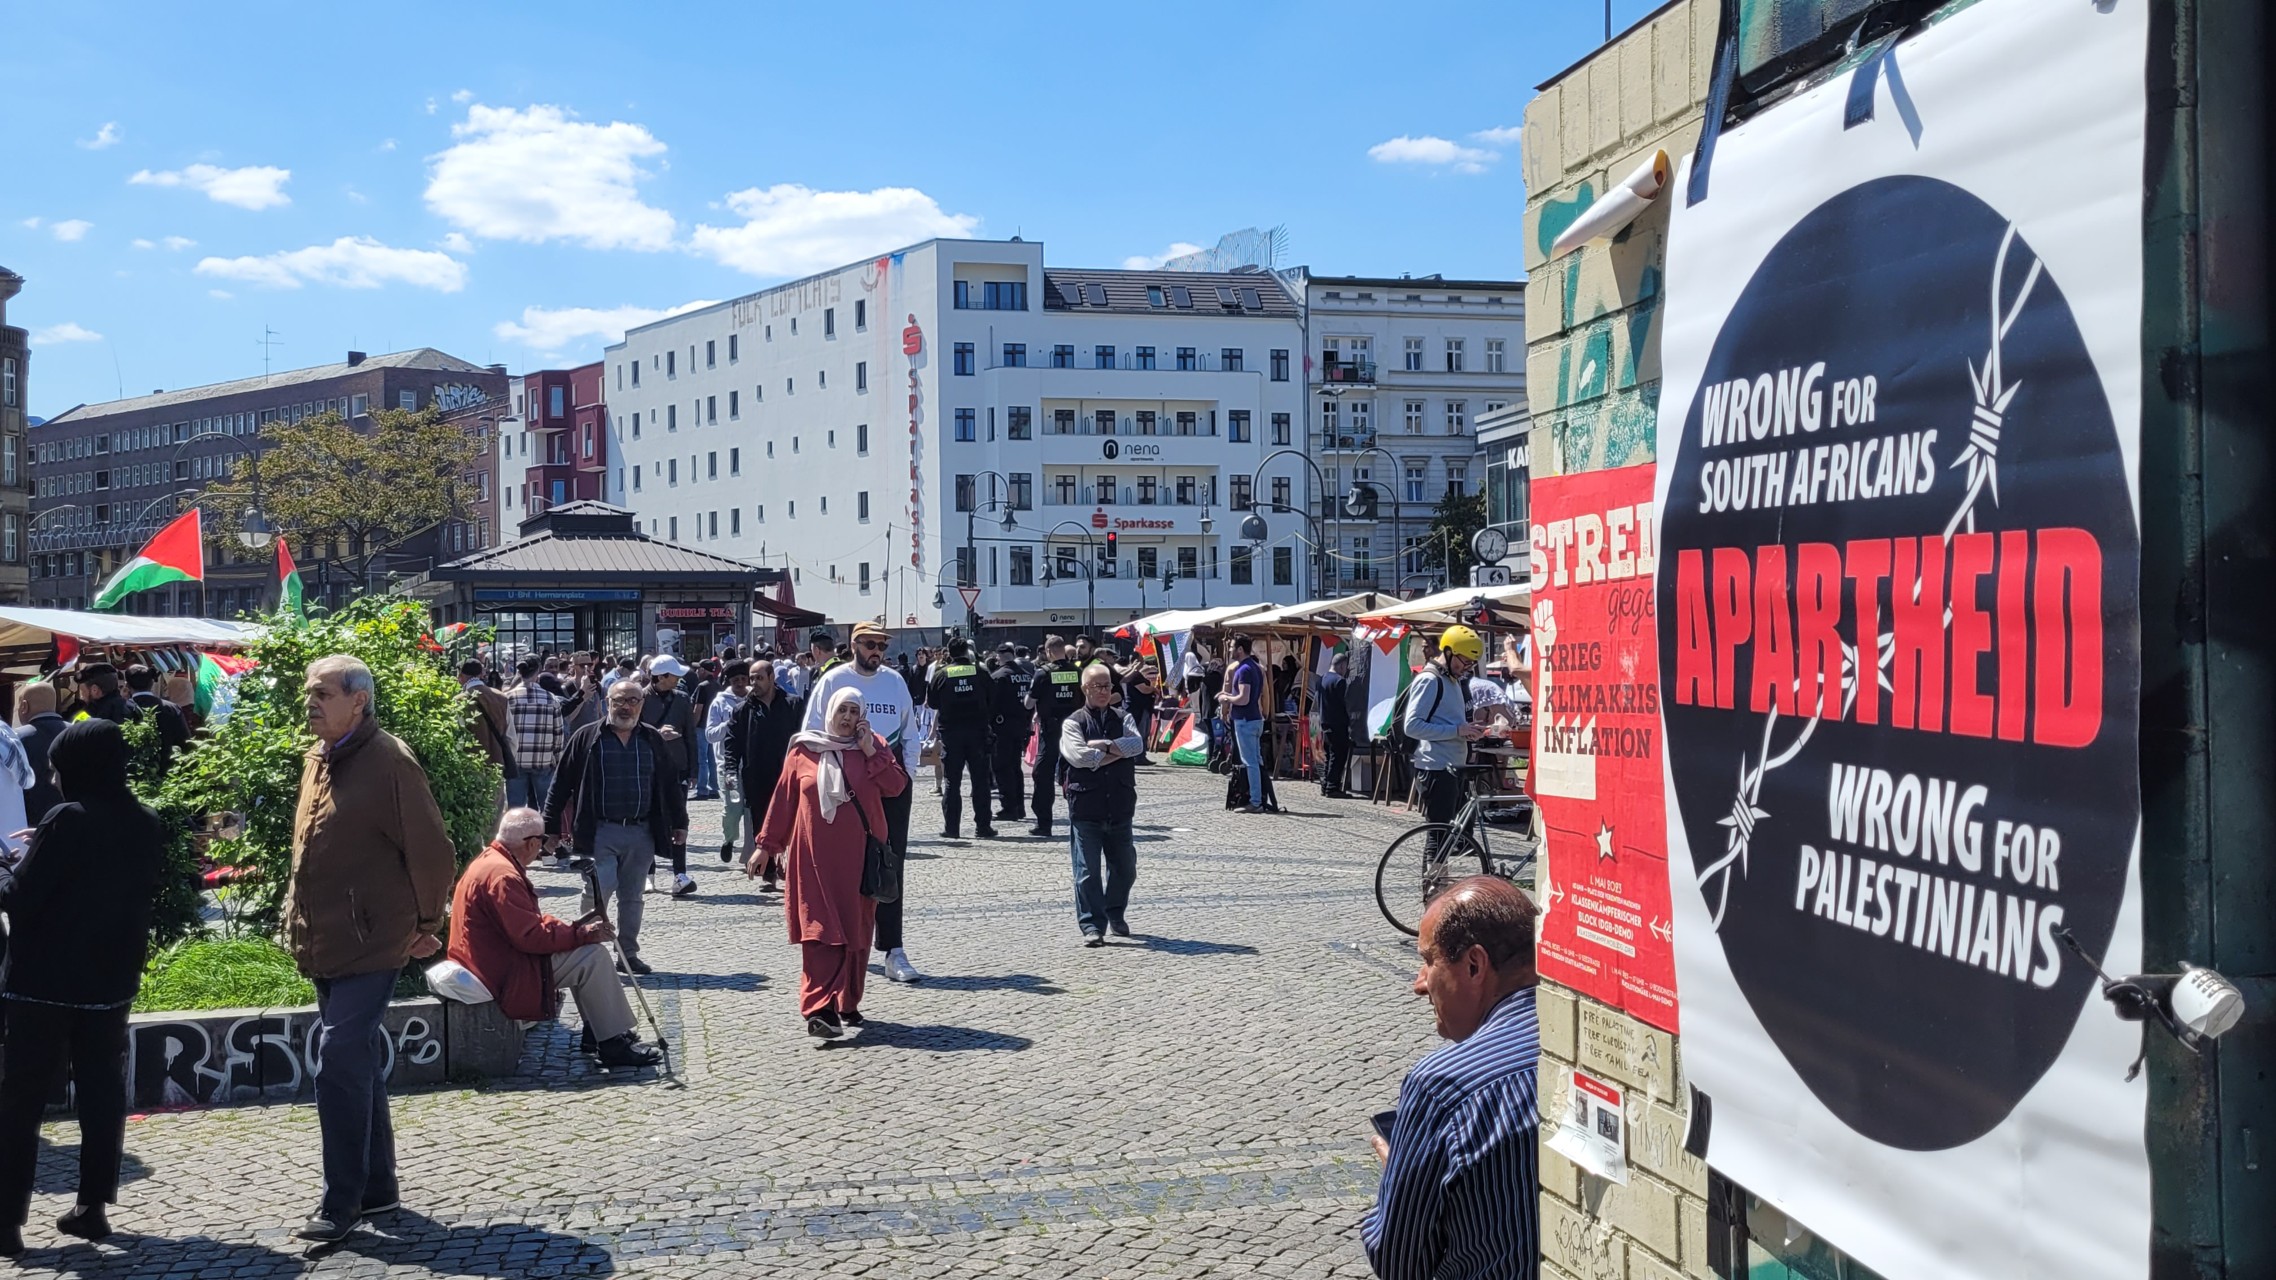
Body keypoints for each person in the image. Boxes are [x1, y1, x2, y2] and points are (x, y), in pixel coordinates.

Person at [286, 655, 456, 1244]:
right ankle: (378, 1188)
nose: (310, 703)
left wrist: (429, 921)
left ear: (358, 701)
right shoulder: (318, 757)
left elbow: (432, 851)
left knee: (336, 1059)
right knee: (353, 1060)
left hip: (375, 939)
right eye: (309, 693)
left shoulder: (389, 760)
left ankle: (341, 1202)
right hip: (325, 938)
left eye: (323, 693)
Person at [0, 719, 164, 1255]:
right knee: (101, 1098)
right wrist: (42, 848)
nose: (53, 777)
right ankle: (92, 1208)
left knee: (21, 1105)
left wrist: (5, 866)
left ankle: (6, 1222)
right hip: (110, 984)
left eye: (57, 768)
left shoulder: (66, 818)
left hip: (43, 986)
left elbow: (19, 898)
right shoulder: (145, 821)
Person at [1362, 876, 1541, 1280]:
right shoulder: (1594, 1052)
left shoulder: (1443, 1085)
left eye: (1429, 960)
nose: (1419, 984)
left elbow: (1399, 1263)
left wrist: (1398, 1183)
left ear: (1475, 965)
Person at [749, 687, 909, 1040]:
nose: (848, 718)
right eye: (842, 710)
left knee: (856, 932)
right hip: (813, 860)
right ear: (829, 712)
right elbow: (784, 800)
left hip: (860, 860)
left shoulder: (875, 746)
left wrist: (870, 751)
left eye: (854, 711)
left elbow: (896, 786)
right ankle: (819, 1008)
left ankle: (847, 1001)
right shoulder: (804, 749)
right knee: (819, 931)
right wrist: (766, 846)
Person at [448, 808, 660, 1070]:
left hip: (489, 959)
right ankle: (611, 1042)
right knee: (592, 957)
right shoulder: (504, 876)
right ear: (531, 843)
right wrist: (580, 933)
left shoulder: (491, 861)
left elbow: (524, 924)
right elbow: (530, 937)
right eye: (541, 843)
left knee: (583, 951)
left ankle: (599, 1029)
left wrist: (571, 931)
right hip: (501, 969)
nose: (542, 850)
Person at [806, 621, 924, 983]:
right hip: (843, 786)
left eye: (882, 646)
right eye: (871, 644)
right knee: (846, 865)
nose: (877, 652)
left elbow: (910, 732)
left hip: (889, 783)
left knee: (890, 864)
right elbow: (811, 733)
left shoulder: (895, 681)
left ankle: (893, 949)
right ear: (854, 644)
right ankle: (844, 944)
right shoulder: (832, 680)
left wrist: (907, 776)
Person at [547, 680, 686, 976]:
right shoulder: (587, 737)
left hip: (641, 831)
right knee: (599, 888)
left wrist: (680, 823)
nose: (626, 707)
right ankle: (588, 947)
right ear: (606, 703)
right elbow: (560, 783)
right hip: (600, 830)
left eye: (633, 701)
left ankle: (627, 953)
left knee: (633, 895)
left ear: (641, 705)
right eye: (619, 700)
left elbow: (670, 784)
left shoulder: (651, 738)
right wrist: (550, 827)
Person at [1060, 664, 1142, 947]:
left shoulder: (1124, 716)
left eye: (1108, 685)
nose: (1105, 691)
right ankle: (1092, 925)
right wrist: (1117, 751)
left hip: (1120, 804)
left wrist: (1104, 746)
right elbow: (1081, 757)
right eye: (1098, 686)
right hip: (1086, 806)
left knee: (1126, 868)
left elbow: (1136, 746)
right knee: (1087, 872)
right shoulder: (1073, 723)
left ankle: (1114, 911)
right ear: (1085, 689)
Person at [726, 658, 802, 887]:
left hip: (789, 775)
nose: (754, 683)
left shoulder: (793, 704)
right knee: (761, 823)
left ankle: (792, 868)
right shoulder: (743, 710)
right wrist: (730, 770)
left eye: (759, 678)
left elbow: (805, 737)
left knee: (793, 822)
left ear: (772, 677)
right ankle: (768, 872)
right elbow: (732, 743)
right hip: (757, 777)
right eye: (752, 679)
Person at [1405, 627, 1487, 836]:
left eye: (1471, 664)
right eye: (1464, 661)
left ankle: (1449, 860)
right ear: (1449, 652)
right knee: (1439, 835)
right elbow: (1412, 726)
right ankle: (1437, 861)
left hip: (1453, 766)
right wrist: (1457, 730)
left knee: (1459, 835)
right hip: (1436, 767)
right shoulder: (1429, 680)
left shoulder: (1452, 679)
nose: (1466, 668)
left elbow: (1449, 722)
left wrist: (1468, 731)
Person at [639, 655, 701, 896]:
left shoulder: (682, 699)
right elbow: (631, 731)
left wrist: (694, 769)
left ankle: (680, 874)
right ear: (661, 677)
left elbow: (691, 735)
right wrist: (657, 734)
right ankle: (648, 874)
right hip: (648, 769)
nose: (678, 679)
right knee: (648, 822)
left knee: (679, 820)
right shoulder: (640, 698)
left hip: (678, 768)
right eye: (673, 676)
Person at [927, 637, 996, 842]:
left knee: (951, 782)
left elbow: (932, 703)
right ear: (967, 651)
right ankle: (983, 827)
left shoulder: (941, 674)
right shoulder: (980, 672)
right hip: (978, 733)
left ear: (949, 653)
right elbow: (993, 697)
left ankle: (952, 828)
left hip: (951, 735)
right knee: (980, 781)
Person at [1024, 635, 1084, 838]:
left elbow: (1029, 704)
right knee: (1075, 773)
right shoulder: (1077, 672)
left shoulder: (1043, 673)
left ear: (1049, 652)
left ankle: (1044, 823)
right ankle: (1079, 820)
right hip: (1074, 729)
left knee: (1042, 775)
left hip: (1051, 731)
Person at [1217, 634, 1270, 813]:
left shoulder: (1244, 670)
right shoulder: (1256, 668)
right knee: (1256, 760)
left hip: (1245, 720)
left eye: (1232, 647)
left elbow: (1243, 698)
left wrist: (1225, 698)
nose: (1230, 650)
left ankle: (1255, 802)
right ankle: (1261, 797)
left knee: (1250, 762)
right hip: (1255, 718)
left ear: (1240, 649)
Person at [705, 661, 752, 862]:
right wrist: (730, 723)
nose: (740, 683)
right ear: (729, 681)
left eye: (743, 679)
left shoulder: (755, 698)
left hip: (752, 764)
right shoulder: (720, 702)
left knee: (751, 810)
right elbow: (710, 735)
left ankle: (751, 850)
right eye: (735, 680)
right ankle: (729, 839)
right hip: (727, 766)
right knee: (733, 808)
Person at [505, 658, 565, 811]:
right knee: (547, 808)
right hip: (543, 760)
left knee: (515, 809)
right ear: (538, 672)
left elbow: (503, 731)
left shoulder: (508, 698)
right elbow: (558, 733)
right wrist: (557, 758)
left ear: (519, 672)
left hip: (515, 761)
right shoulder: (551, 699)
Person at [460, 658, 513, 819]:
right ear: (482, 673)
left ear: (461, 676)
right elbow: (511, 737)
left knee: (474, 818)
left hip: (471, 769)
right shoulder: (501, 698)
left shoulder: (460, 700)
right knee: (495, 817)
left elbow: (458, 741)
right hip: (496, 767)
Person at [988, 642, 1030, 824]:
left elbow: (992, 704)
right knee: (1015, 767)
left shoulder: (999, 676)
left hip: (1002, 727)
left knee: (1002, 767)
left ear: (999, 656)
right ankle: (1019, 807)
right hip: (1021, 726)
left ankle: (1009, 807)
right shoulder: (1026, 675)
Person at [15, 684, 66, 825]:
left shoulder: (15, 739)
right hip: (74, 822)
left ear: (24, 706)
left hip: (29, 825)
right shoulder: (79, 734)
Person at [123, 664, 192, 766]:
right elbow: (185, 742)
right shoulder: (172, 708)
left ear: (127, 685)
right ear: (152, 683)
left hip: (134, 770)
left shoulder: (122, 709)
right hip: (169, 768)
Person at [1317, 651, 1356, 799]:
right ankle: (1332, 787)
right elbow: (1345, 704)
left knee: (1329, 755)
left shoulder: (1321, 679)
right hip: (1338, 724)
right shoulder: (1340, 681)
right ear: (1342, 666)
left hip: (1324, 722)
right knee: (1338, 756)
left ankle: (1325, 784)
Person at [689, 660, 722, 801]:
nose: (697, 672)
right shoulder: (718, 685)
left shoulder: (702, 686)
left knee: (702, 760)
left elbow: (698, 709)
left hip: (701, 727)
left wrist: (692, 726)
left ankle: (702, 789)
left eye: (698, 669)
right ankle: (714, 787)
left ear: (703, 670)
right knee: (712, 759)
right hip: (713, 727)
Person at [72, 664, 138, 725]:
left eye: (83, 691)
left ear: (95, 690)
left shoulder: (86, 717)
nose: (82, 696)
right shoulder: (135, 708)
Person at [1121, 661, 1159, 765]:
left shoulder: (1127, 675)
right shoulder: (1135, 675)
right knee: (1141, 732)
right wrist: (1153, 689)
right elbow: (1144, 689)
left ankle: (1138, 756)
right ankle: (1139, 757)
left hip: (1133, 707)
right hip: (1139, 708)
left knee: (1138, 732)